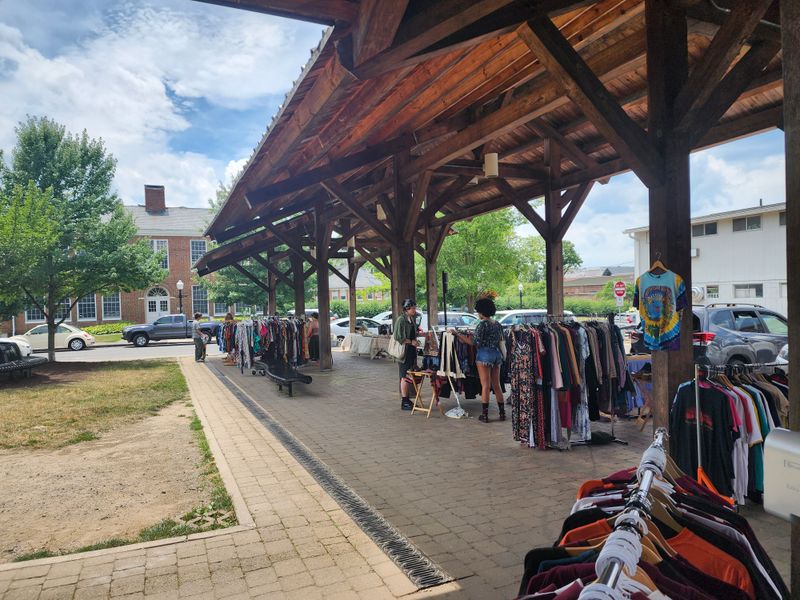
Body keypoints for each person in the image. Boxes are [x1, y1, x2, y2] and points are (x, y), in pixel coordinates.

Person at [450, 296, 504, 422]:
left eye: (478, 311)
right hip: (496, 355)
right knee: (496, 385)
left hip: (484, 355)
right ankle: (502, 413)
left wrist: (457, 334)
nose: (478, 314)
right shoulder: (497, 324)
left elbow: (472, 342)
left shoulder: (482, 325)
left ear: (481, 311)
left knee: (485, 385)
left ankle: (485, 415)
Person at [393, 298, 420, 411]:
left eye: (414, 308)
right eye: (413, 308)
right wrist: (411, 341)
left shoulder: (411, 319)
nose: (414, 310)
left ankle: (407, 399)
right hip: (404, 353)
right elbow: (398, 337)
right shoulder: (401, 320)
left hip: (411, 352)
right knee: (404, 376)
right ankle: (404, 401)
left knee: (409, 375)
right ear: (407, 309)